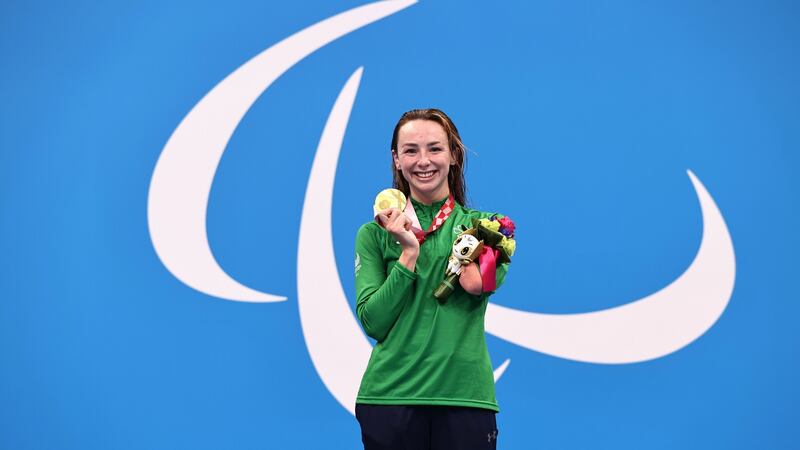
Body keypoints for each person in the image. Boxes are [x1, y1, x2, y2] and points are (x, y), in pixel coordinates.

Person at [354, 108, 510, 450]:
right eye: (410, 150)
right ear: (396, 160)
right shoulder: (373, 234)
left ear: (454, 155)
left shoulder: (489, 229)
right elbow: (374, 322)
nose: (423, 160)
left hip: (464, 397)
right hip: (389, 398)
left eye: (435, 149)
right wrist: (408, 255)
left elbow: (475, 287)